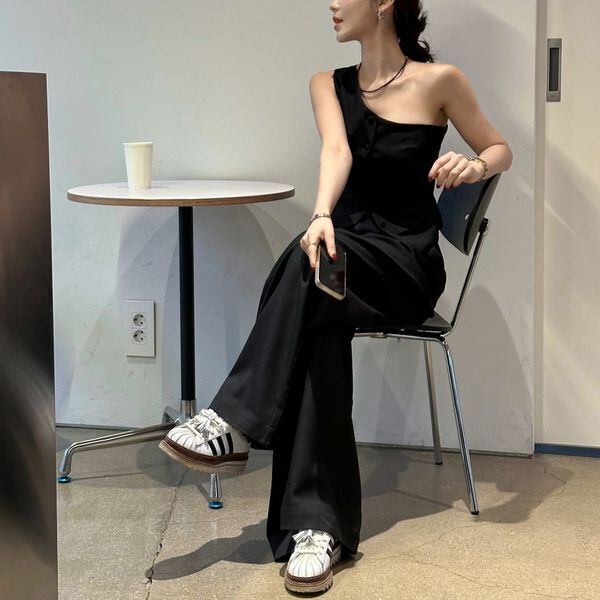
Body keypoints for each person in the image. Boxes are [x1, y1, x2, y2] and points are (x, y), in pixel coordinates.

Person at [159, 0, 513, 594]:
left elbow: (501, 148)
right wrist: (321, 213)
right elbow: (337, 152)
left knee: (313, 269)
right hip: (343, 258)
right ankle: (317, 531)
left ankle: (235, 421)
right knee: (319, 304)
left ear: (383, 3)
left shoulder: (440, 81)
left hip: (404, 267)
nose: (331, 3)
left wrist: (474, 166)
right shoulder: (326, 84)